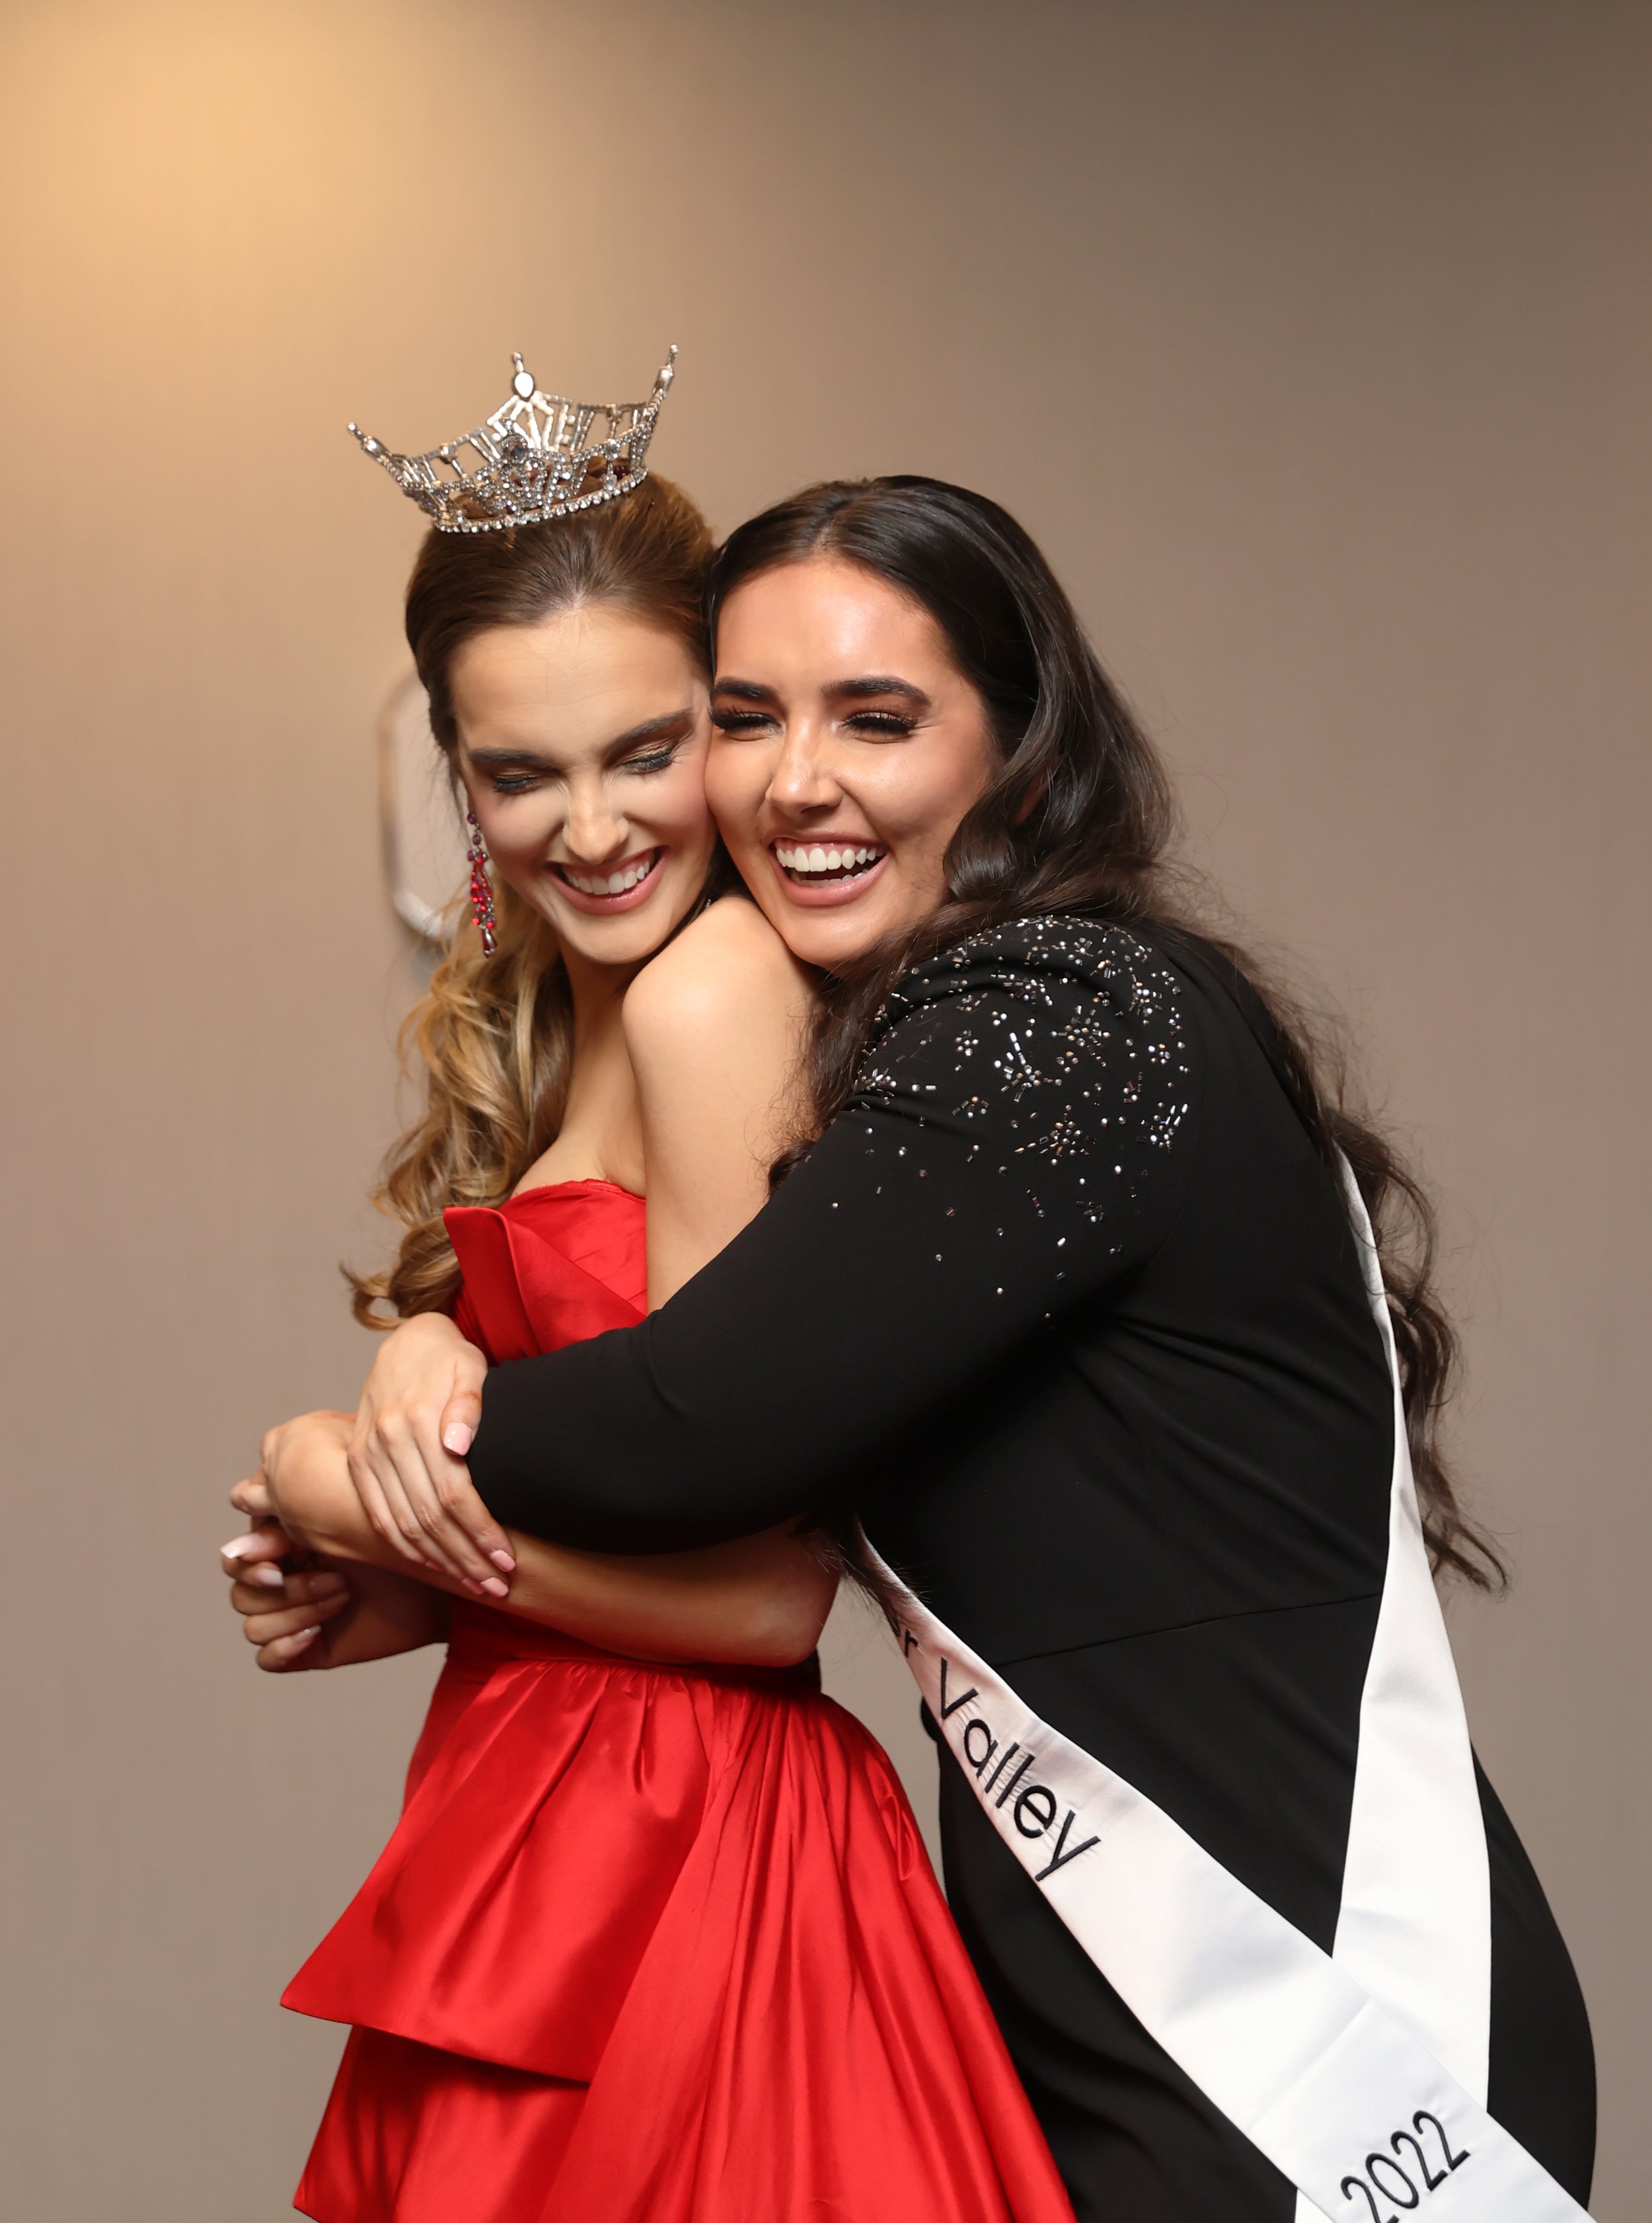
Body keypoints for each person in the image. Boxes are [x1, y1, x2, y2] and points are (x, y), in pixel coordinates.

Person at [315, 474, 1598, 2223]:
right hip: (1101, 1988)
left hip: (1324, 2011)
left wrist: (343, 1468)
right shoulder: (921, 1042)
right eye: (750, 720)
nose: (794, 782)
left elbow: (697, 1425)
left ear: (1017, 748)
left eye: (878, 718)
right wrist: (440, 1342)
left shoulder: (1052, 1025)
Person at [223, 367, 1077, 2223]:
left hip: (690, 1856)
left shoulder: (712, 998)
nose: (590, 829)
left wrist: (334, 1482)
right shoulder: (576, 1017)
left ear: (727, 723)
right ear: (453, 772)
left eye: (645, 750)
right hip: (552, 1803)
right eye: (518, 772)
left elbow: (769, 1597)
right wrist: (428, 1421)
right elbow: (602, 1431)